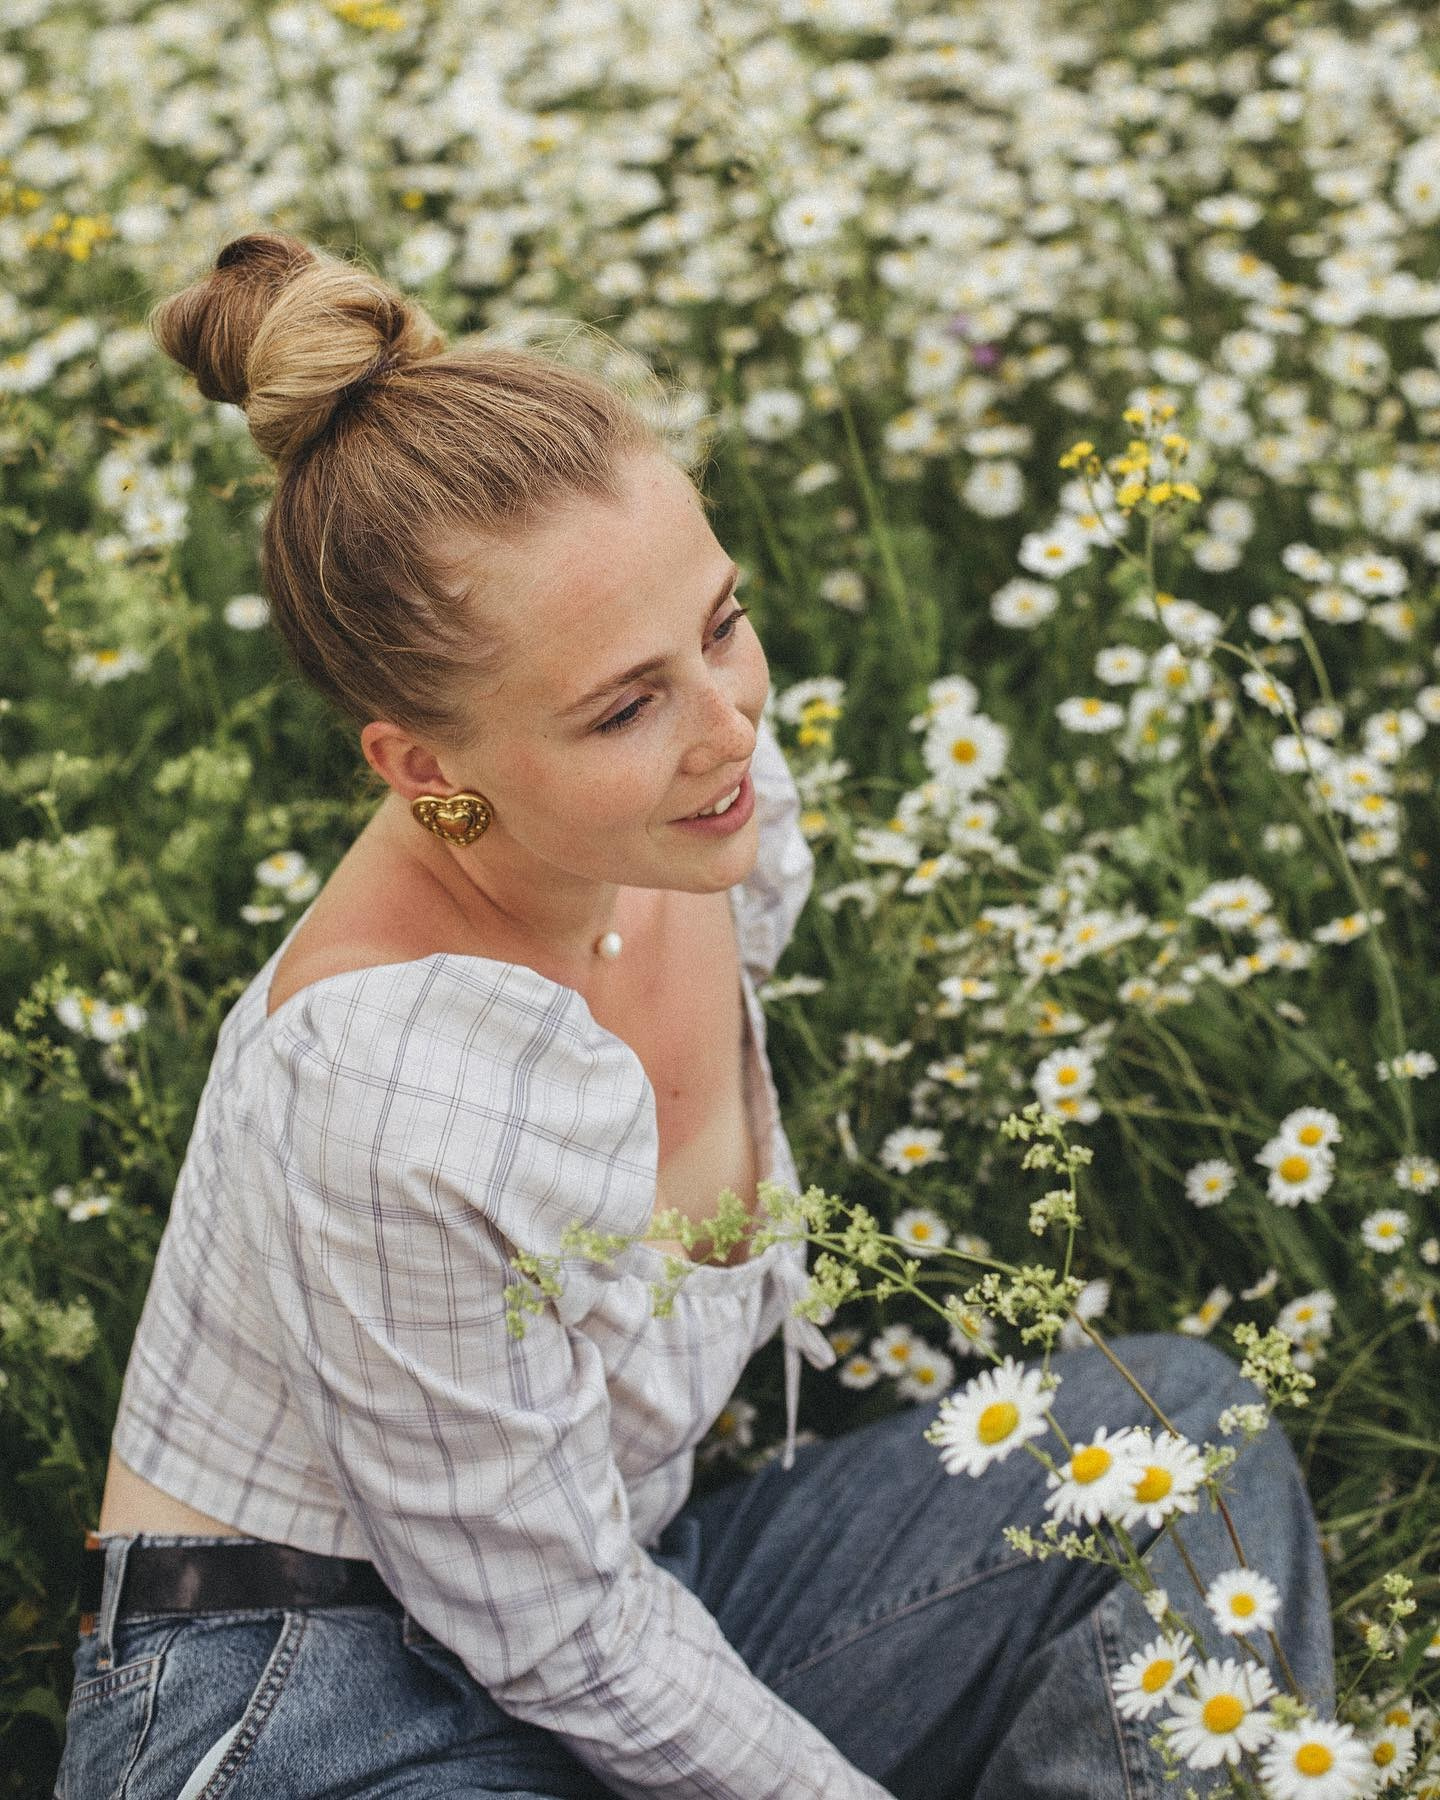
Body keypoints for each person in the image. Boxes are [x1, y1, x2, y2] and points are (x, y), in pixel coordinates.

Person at [55, 232, 1334, 1800]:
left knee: (1176, 1436)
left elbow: (589, 1607)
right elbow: (548, 1630)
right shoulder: (380, 1088)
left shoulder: (701, 815)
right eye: (624, 705)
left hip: (619, 1589)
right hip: (313, 1704)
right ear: (425, 769)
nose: (728, 726)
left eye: (720, 624)